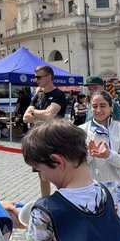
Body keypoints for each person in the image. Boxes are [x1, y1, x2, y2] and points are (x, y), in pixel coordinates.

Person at [83, 89, 120, 222]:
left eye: (103, 106)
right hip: (88, 190)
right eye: (94, 106)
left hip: (115, 191)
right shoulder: (80, 131)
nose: (98, 110)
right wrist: (90, 154)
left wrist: (109, 155)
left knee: (114, 235)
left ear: (111, 108)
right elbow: (75, 164)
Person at [24, 66, 68, 197]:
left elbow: (50, 115)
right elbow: (25, 118)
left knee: (58, 174)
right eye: (35, 76)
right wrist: (41, 113)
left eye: (39, 77)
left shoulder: (58, 94)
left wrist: (34, 112)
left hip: (54, 139)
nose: (36, 79)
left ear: (49, 77)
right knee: (42, 175)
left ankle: (67, 200)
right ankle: (46, 201)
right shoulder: (38, 96)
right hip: (38, 140)